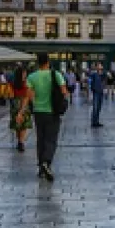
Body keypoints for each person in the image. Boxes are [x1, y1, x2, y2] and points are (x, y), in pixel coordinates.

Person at [21, 53, 68, 181]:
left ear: (38, 63)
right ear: (48, 62)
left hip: (38, 112)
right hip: (52, 112)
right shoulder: (56, 75)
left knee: (40, 139)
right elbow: (64, 92)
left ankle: (41, 167)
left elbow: (28, 96)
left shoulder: (32, 77)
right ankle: (46, 162)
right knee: (51, 139)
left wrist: (21, 112)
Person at [8, 67, 33, 152]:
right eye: (24, 73)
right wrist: (22, 109)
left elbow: (10, 96)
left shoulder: (12, 84)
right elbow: (27, 97)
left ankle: (19, 141)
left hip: (14, 105)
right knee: (23, 125)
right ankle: (21, 142)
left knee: (17, 124)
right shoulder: (26, 84)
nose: (25, 75)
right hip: (24, 104)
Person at [88, 63, 106, 128]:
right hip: (96, 92)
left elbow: (107, 79)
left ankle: (97, 121)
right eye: (99, 66)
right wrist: (91, 90)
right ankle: (93, 122)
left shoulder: (103, 74)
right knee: (95, 107)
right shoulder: (94, 74)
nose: (100, 67)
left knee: (99, 108)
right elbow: (90, 81)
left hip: (101, 92)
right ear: (97, 67)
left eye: (101, 65)